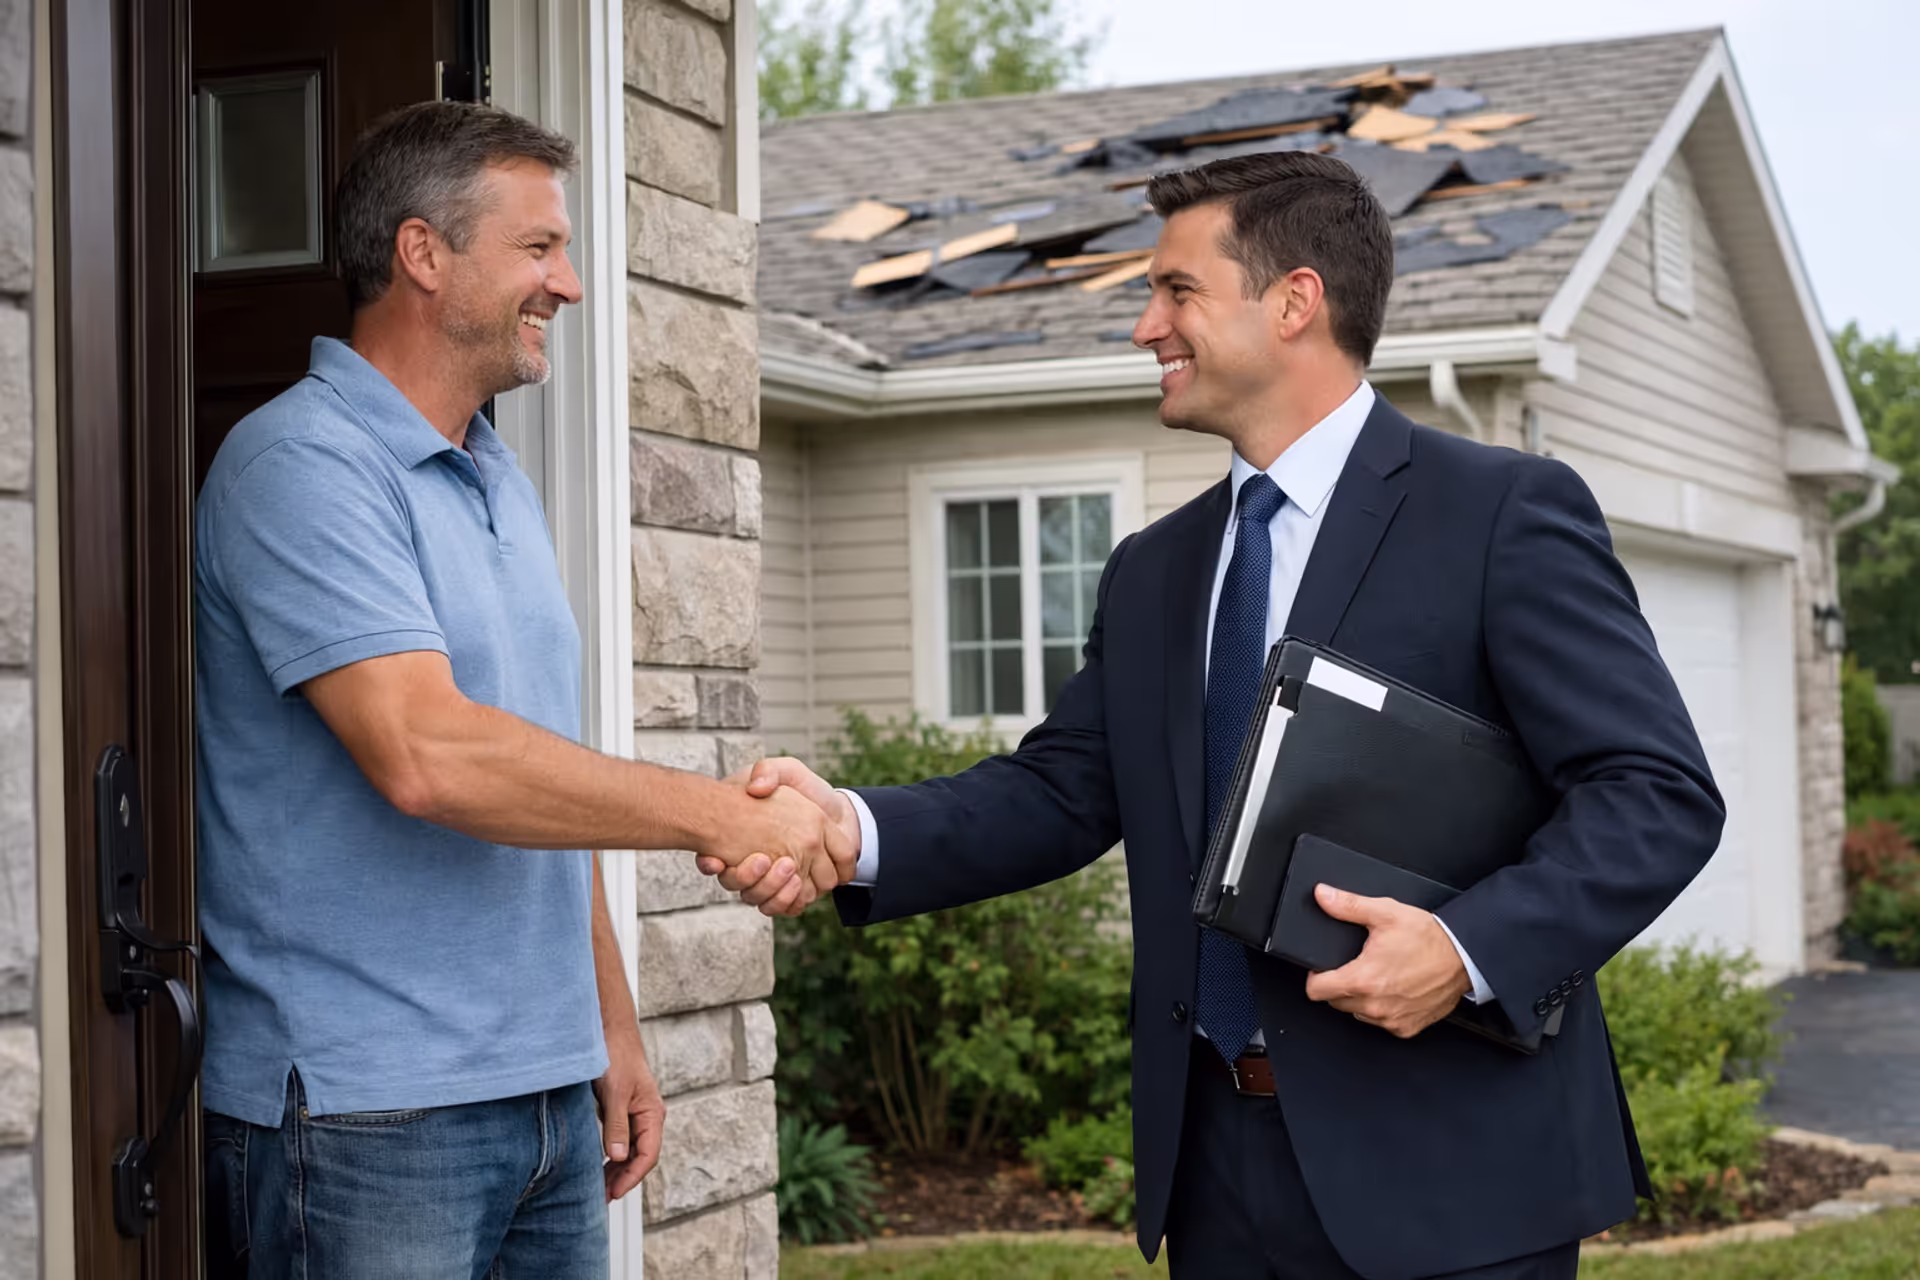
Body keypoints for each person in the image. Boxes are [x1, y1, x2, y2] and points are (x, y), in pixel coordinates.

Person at [714, 151, 1726, 1279]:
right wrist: (854, 828)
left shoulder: (1501, 513)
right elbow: (1064, 787)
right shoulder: (1157, 568)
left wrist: (1464, 946)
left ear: (1295, 300)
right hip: (1217, 1173)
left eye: (1177, 290)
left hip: (1455, 1173)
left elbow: (1655, 794)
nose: (1148, 325)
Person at [194, 101, 853, 1278]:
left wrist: (601, 1017)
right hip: (367, 1114)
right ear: (423, 252)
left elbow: (542, 771)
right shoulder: (300, 465)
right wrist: (724, 813)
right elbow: (430, 755)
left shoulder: (492, 472)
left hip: (544, 1095)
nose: (572, 283)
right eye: (540, 248)